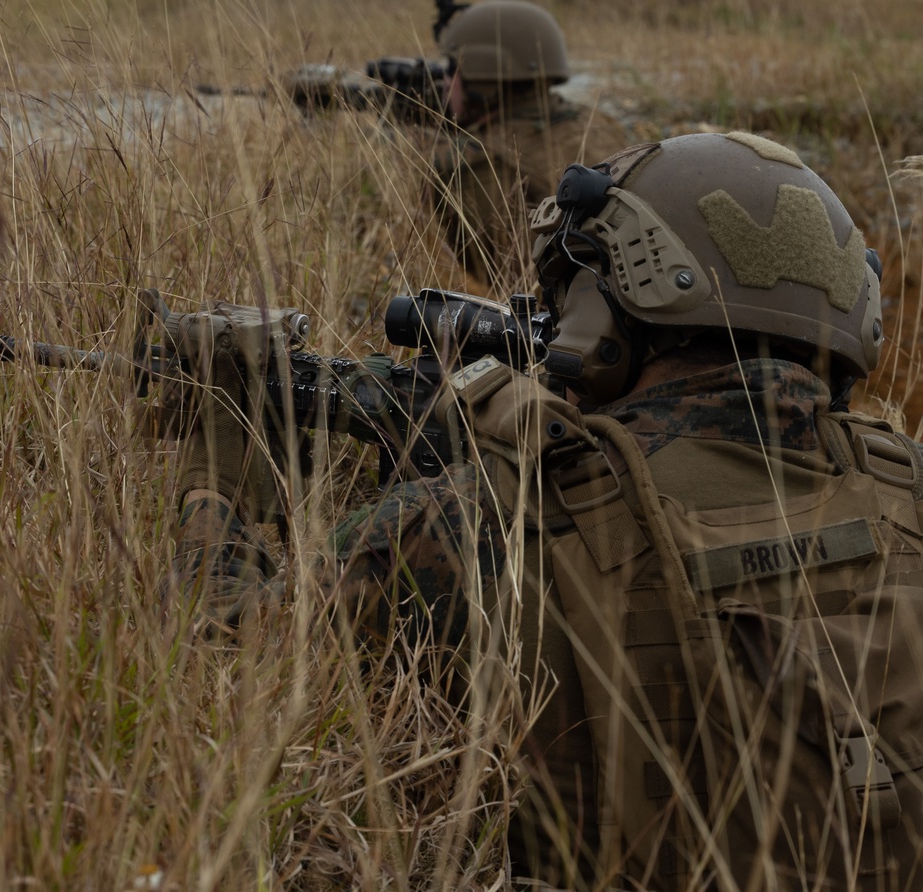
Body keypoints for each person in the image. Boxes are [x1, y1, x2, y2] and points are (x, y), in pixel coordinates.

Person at [175, 130, 923, 890]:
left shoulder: (496, 518)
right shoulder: (907, 485)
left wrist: (216, 465)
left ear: (612, 304)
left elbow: (225, 650)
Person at [430, 0, 625, 281]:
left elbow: (507, 278)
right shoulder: (597, 122)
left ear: (481, 75)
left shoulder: (471, 163)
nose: (445, 81)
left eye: (451, 68)